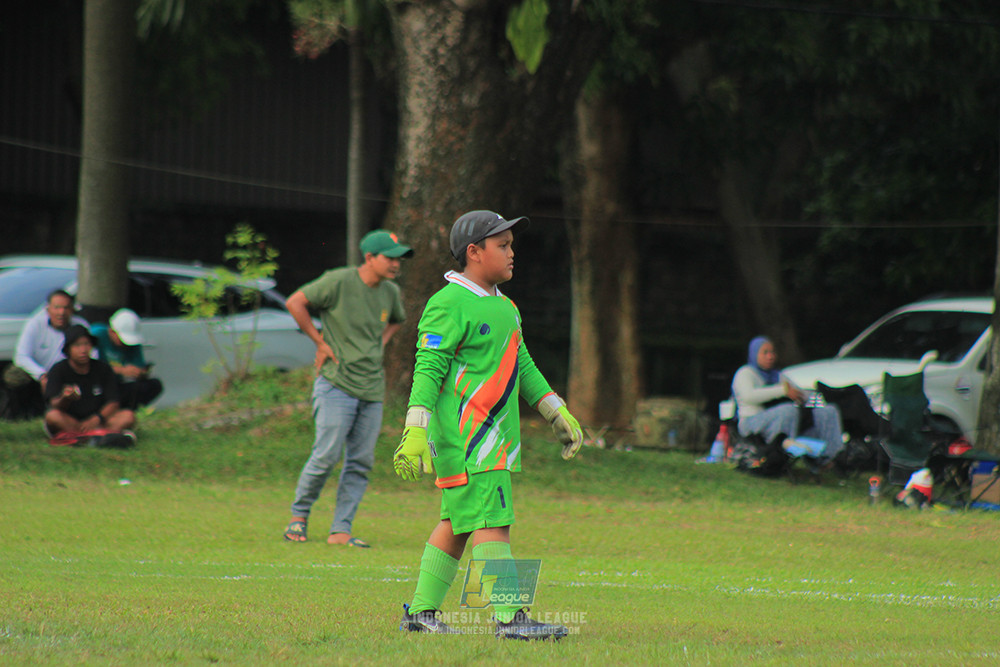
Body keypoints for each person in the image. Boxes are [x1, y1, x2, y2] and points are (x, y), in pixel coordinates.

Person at [393, 210, 584, 640]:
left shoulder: (505, 306)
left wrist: (556, 410)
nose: (513, 253)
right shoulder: (447, 302)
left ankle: (420, 614)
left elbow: (521, 363)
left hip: (490, 439)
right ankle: (510, 620)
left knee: (457, 525)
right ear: (474, 253)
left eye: (512, 244)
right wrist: (415, 429)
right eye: (504, 245)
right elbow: (427, 369)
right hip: (469, 438)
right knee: (493, 523)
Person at [282, 229, 413, 548]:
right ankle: (298, 517)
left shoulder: (390, 292)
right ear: (369, 257)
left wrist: (380, 342)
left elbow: (397, 319)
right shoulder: (338, 281)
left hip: (371, 389)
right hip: (336, 383)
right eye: (390, 258)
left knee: (361, 461)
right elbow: (295, 302)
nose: (396, 264)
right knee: (326, 455)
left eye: (399, 259)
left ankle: (341, 530)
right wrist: (320, 343)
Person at [732, 335, 844, 463]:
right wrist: (782, 391)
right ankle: (782, 455)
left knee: (827, 411)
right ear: (754, 354)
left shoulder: (777, 375)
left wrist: (812, 398)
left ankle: (831, 457)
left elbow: (799, 393)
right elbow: (749, 396)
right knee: (788, 411)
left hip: (779, 418)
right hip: (752, 421)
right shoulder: (745, 373)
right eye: (765, 353)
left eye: (772, 352)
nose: (770, 356)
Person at [3, 290, 90, 419]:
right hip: (39, 373)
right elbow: (21, 356)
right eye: (57, 308)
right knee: (14, 375)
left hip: (68, 375)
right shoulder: (34, 324)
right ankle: (17, 415)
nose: (61, 312)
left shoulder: (81, 325)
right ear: (48, 309)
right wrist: (42, 375)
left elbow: (92, 356)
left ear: (72, 309)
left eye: (66, 308)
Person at [44, 324, 136, 438]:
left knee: (128, 416)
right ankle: (96, 436)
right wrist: (65, 398)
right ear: (68, 349)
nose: (83, 350)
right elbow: (53, 404)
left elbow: (113, 402)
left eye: (86, 344)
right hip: (72, 420)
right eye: (77, 345)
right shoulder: (58, 370)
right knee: (53, 416)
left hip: (99, 419)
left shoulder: (103, 369)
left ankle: (85, 437)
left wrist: (97, 418)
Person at [91, 308, 163, 409]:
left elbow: (139, 365)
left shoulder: (134, 345)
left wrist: (140, 372)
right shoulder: (97, 334)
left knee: (152, 385)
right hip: (98, 385)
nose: (126, 346)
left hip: (118, 385)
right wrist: (121, 370)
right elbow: (89, 365)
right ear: (112, 332)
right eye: (122, 341)